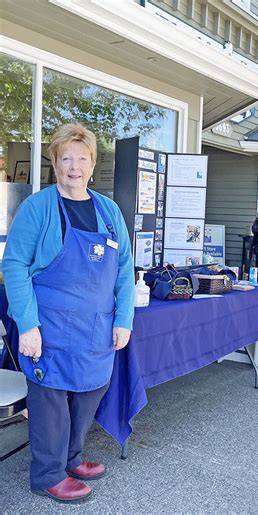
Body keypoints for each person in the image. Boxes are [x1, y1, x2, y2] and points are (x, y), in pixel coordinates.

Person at [3, 123, 134, 503]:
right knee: (51, 399)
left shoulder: (108, 211)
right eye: (66, 159)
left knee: (92, 389)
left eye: (81, 158)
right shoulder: (38, 208)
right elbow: (14, 266)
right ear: (55, 164)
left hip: (97, 327)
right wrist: (27, 325)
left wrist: (124, 318)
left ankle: (72, 458)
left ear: (92, 164)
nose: (74, 167)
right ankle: (47, 474)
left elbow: (125, 268)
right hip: (50, 327)